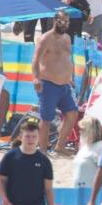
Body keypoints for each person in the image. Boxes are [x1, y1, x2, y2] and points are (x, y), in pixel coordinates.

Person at [0, 118, 56, 205]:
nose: (31, 140)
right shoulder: (10, 157)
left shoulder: (44, 161)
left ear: (39, 138)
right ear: (21, 137)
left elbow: (48, 190)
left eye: (34, 136)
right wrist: (5, 202)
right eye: (28, 136)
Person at [30, 10, 81, 151]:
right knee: (46, 119)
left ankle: (60, 146)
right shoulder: (46, 39)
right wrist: (35, 78)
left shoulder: (67, 38)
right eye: (62, 21)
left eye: (67, 22)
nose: (65, 25)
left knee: (72, 113)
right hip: (48, 84)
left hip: (64, 85)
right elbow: (36, 59)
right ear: (55, 21)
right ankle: (43, 149)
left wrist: (69, 77)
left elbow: (66, 59)